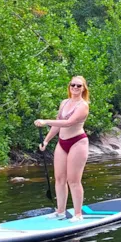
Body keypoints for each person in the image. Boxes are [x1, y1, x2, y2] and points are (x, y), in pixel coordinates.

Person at [35, 76, 90, 219]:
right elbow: (58, 124)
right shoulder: (64, 103)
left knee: (73, 180)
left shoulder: (83, 106)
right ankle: (60, 212)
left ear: (83, 88)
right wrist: (46, 141)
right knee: (59, 178)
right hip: (62, 143)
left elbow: (68, 123)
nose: (75, 88)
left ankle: (78, 215)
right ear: (69, 86)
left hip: (78, 143)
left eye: (79, 86)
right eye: (73, 85)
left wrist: (45, 121)